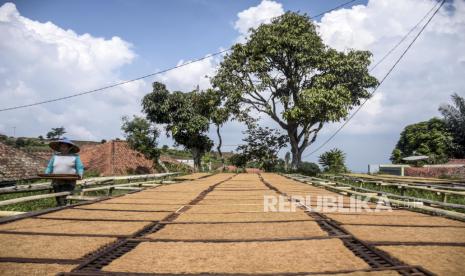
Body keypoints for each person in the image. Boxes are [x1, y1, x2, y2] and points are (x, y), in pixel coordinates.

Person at [45, 137, 84, 206]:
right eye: (61, 146)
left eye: (65, 146)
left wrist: (80, 174)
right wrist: (46, 173)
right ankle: (59, 210)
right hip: (56, 181)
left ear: (69, 148)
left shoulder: (75, 157)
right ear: (59, 147)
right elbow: (50, 167)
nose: (63, 148)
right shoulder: (55, 156)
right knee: (58, 198)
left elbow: (80, 167)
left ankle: (63, 210)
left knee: (64, 198)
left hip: (69, 181)